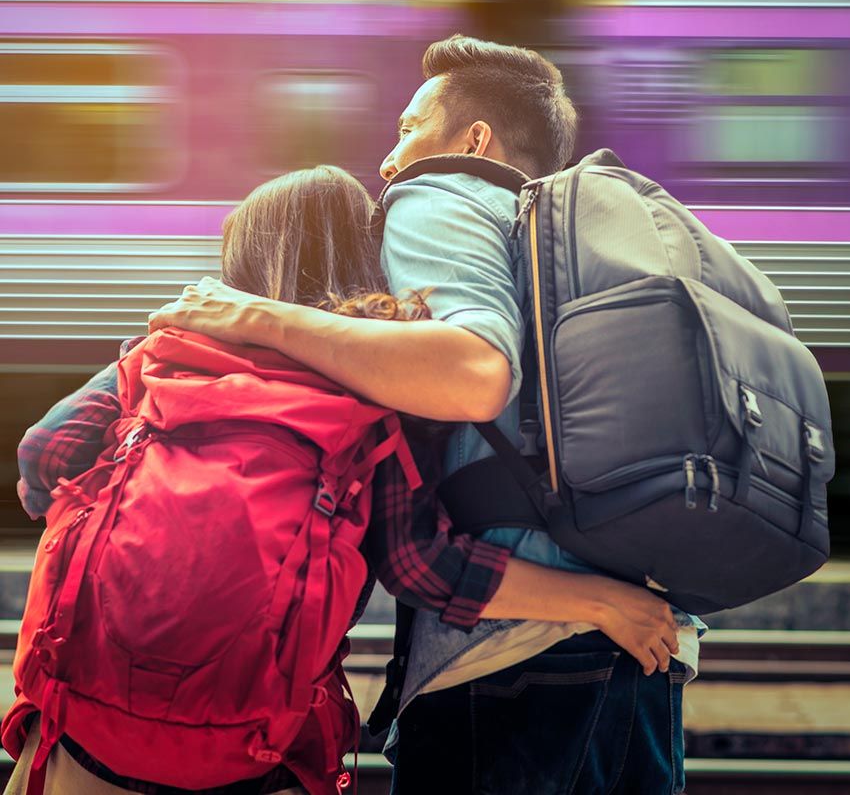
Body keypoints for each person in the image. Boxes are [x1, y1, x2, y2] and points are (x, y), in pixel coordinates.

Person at [11, 162, 680, 795]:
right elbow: (424, 567)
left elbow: (44, 453)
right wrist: (604, 601)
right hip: (252, 747)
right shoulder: (371, 390)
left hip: (84, 731)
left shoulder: (170, 350)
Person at [149, 36, 701, 795]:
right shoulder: (564, 246)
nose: (388, 161)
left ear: (473, 140)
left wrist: (261, 316)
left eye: (408, 129)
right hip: (643, 644)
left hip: (515, 668)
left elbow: (472, 387)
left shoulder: (438, 196)